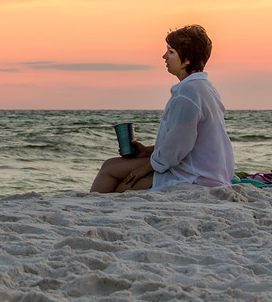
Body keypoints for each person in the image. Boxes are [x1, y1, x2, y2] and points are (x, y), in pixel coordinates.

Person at [90, 25, 234, 193]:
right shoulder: (205, 88)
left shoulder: (188, 92)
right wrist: (146, 151)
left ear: (187, 60)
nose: (164, 56)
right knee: (110, 166)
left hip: (196, 177)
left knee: (120, 183)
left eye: (171, 52)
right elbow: (188, 141)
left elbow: (176, 147)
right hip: (209, 172)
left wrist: (146, 168)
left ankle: (90, 209)